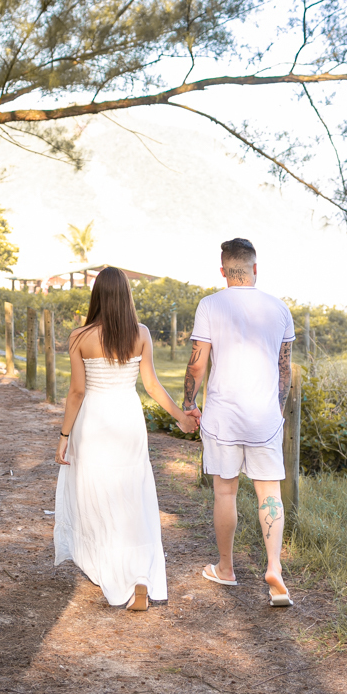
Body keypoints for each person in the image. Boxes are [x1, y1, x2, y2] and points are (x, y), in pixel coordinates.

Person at [54, 267, 198, 611]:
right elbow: (151, 385)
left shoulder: (79, 336)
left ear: (97, 296)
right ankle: (138, 578)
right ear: (126, 297)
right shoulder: (141, 333)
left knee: (96, 493)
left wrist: (63, 434)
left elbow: (76, 392)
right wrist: (181, 417)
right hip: (128, 418)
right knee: (132, 492)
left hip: (94, 420)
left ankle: (109, 569)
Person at [183, 238, 295, 607]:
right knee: (270, 493)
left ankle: (227, 568)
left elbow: (198, 363)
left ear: (223, 271)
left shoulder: (210, 305)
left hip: (223, 416)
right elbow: (284, 368)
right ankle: (274, 567)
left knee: (225, 492)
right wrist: (277, 410)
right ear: (255, 268)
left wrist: (188, 402)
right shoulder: (279, 309)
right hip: (265, 416)